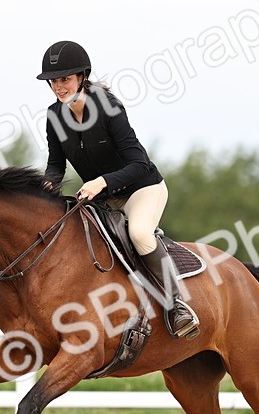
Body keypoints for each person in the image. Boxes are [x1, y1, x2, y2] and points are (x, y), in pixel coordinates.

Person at [37, 40, 199, 340]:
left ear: (82, 77)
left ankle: (177, 306)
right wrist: (45, 186)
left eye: (65, 79)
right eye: (53, 82)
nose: (58, 87)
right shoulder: (54, 116)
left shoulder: (108, 108)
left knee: (139, 234)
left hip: (142, 189)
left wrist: (102, 181)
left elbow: (139, 163)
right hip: (102, 200)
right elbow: (56, 165)